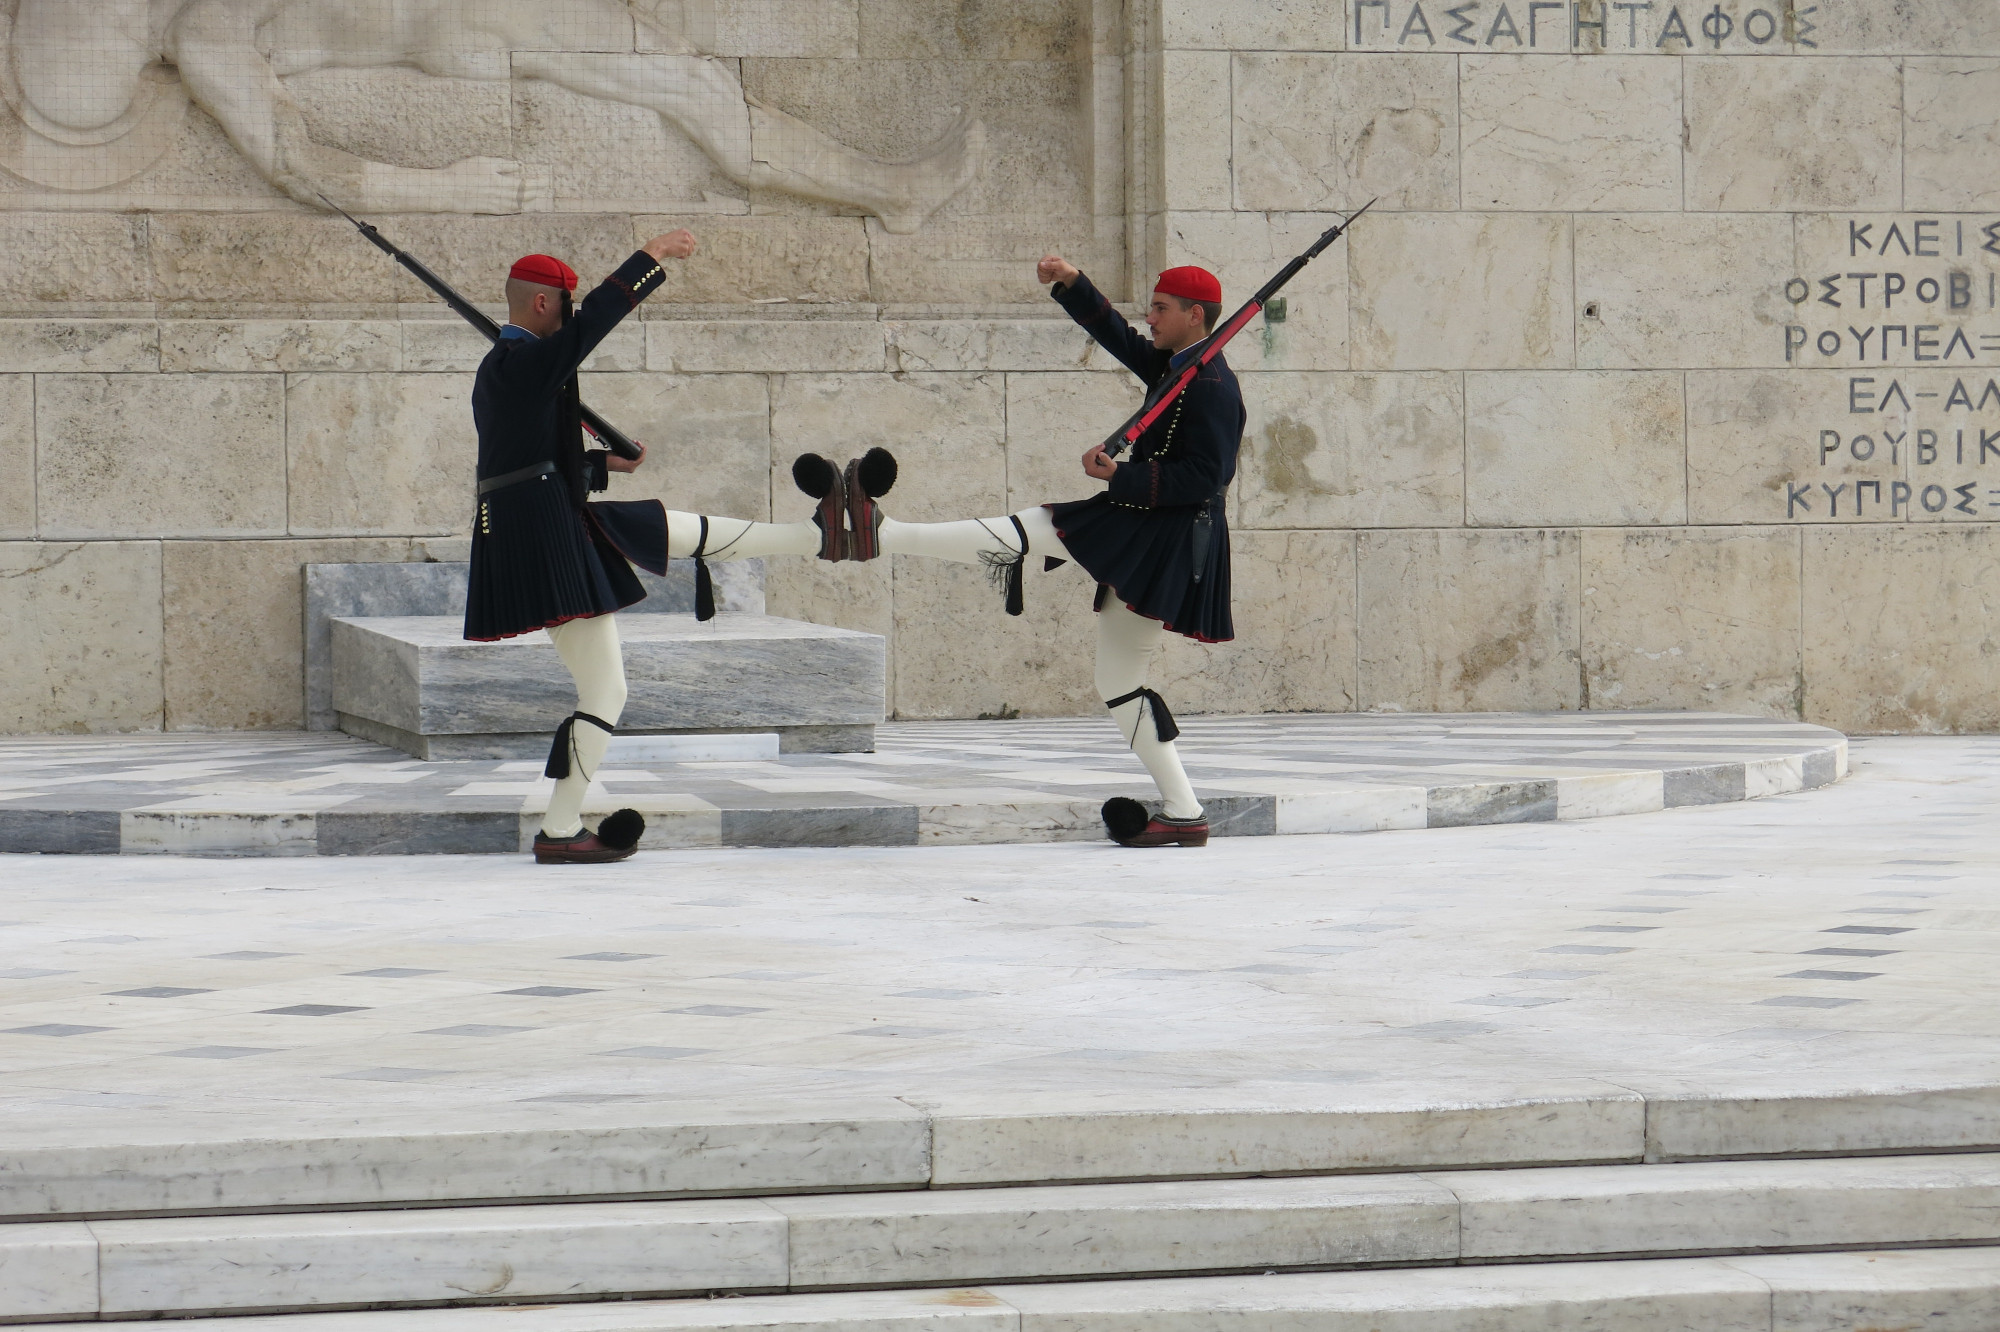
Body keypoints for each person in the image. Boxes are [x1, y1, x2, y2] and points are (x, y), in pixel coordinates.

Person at [820, 256, 1246, 849]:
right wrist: (1074, 284)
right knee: (1118, 679)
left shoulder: (1215, 387)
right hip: (1152, 530)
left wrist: (1119, 478)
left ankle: (884, 534)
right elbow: (1118, 337)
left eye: (1160, 308)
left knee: (1040, 526)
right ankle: (1183, 811)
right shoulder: (1179, 365)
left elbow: (1208, 476)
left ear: (1194, 316)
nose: (1148, 318)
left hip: (1166, 538)